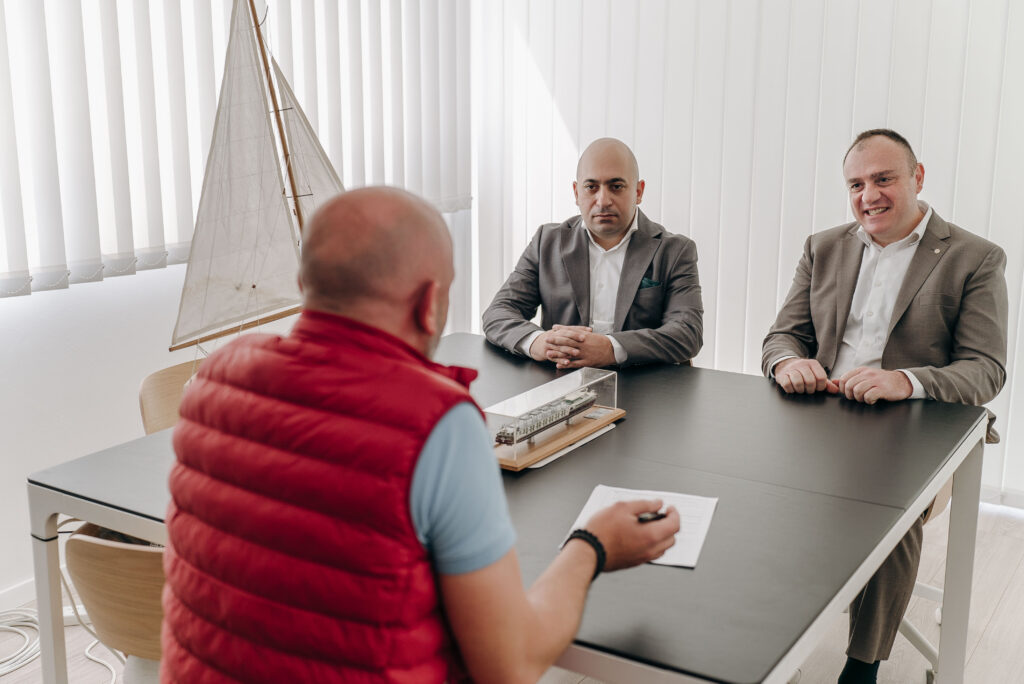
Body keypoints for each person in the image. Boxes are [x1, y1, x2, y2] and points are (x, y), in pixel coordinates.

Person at [160, 187, 680, 683]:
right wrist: (592, 545)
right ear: (429, 303)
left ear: (305, 284)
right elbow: (511, 664)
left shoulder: (215, 376)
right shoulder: (435, 423)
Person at [762, 129, 1008, 684]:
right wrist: (787, 362)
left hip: (914, 430)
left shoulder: (974, 257)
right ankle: (764, 638)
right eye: (856, 184)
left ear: (917, 177)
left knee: (887, 513)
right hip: (820, 421)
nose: (868, 195)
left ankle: (862, 666)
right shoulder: (823, 247)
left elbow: (986, 369)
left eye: (883, 179)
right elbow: (782, 337)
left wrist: (905, 380)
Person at [482, 137, 703, 368]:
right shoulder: (546, 242)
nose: (603, 201)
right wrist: (538, 342)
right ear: (577, 192)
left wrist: (611, 349)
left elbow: (687, 332)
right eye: (591, 187)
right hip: (562, 380)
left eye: (616, 186)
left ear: (638, 192)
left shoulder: (675, 251)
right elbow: (499, 312)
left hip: (643, 384)